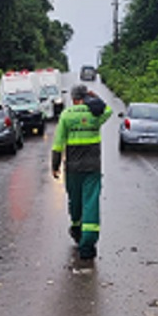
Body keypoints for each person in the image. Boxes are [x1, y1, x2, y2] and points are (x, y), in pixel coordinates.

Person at [51, 84, 112, 260]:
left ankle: (76, 229)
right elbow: (108, 110)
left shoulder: (66, 115)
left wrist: (55, 166)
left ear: (72, 98)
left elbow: (58, 144)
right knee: (91, 204)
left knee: (75, 201)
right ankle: (87, 246)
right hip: (92, 168)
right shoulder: (95, 114)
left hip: (72, 168)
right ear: (85, 97)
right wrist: (95, 97)